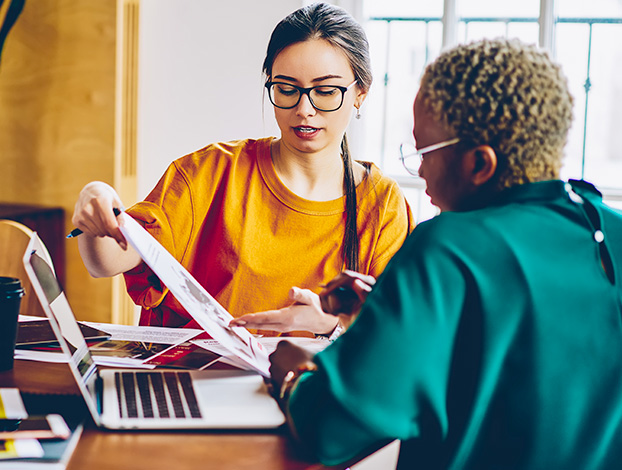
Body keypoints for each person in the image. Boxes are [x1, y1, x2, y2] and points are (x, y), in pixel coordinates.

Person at [269, 38, 622, 469]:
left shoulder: (445, 247)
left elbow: (333, 431)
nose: (417, 169)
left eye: (424, 152)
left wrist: (293, 371)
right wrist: (394, 315)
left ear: (479, 164)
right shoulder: (612, 232)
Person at [71, 2, 413, 336]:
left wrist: (329, 325)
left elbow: (395, 334)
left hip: (308, 390)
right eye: (286, 89)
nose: (304, 108)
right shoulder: (209, 173)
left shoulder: (381, 205)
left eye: (325, 91)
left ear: (360, 94)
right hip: (197, 383)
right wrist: (96, 200)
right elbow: (107, 261)